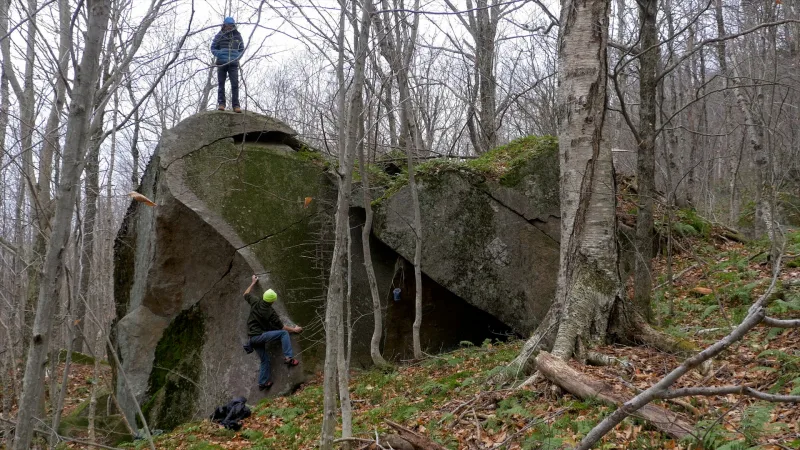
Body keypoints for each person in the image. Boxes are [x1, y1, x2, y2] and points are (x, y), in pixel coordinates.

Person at [243, 275, 302, 391]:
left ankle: (262, 383)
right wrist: (295, 329)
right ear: (273, 301)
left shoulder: (255, 301)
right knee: (283, 334)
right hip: (259, 336)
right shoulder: (271, 313)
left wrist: (253, 283)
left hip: (251, 338)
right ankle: (288, 358)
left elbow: (245, 294)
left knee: (265, 360)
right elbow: (283, 328)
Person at [210, 17, 245, 113]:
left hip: (233, 63)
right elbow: (213, 48)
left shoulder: (237, 36)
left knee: (235, 84)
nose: (229, 27)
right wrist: (220, 54)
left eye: (231, 25)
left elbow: (242, 49)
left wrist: (237, 57)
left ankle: (236, 105)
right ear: (224, 25)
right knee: (221, 84)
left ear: (233, 25)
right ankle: (221, 104)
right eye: (227, 25)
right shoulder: (220, 35)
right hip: (221, 62)